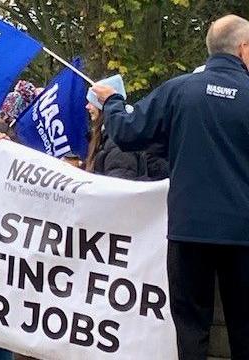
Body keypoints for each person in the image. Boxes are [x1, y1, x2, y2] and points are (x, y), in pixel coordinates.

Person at [91, 14, 249, 360]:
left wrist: (113, 102)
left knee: (191, 330)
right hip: (243, 233)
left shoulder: (179, 91)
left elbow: (128, 134)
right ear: (244, 49)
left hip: (189, 231)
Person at [84, 76, 148, 180]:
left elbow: (119, 182)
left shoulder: (119, 141)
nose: (87, 106)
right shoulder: (108, 137)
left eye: (91, 102)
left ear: (102, 105)